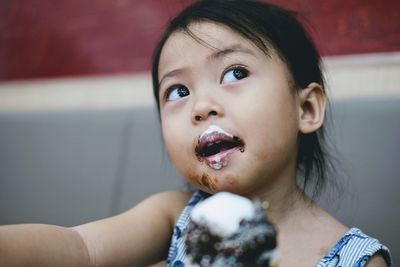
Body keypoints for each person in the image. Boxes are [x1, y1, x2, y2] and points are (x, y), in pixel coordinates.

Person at [0, 0, 392, 266]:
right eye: (178, 91)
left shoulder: (354, 258)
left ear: (305, 108)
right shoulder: (176, 217)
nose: (202, 105)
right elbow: (80, 249)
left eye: (235, 73)